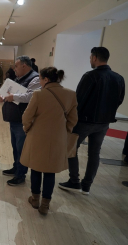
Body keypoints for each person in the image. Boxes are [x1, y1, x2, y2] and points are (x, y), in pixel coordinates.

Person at [59, 47, 125, 195]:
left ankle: (74, 181)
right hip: (104, 123)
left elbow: (78, 100)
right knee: (95, 153)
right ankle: (86, 186)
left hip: (84, 121)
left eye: (90, 57)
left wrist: (70, 117)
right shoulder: (119, 78)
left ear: (95, 58)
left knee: (71, 149)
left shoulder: (90, 76)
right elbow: (119, 100)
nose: (90, 60)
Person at [20, 67, 78, 215]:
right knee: (50, 172)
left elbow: (27, 117)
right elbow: (73, 119)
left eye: (40, 78)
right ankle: (45, 205)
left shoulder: (39, 94)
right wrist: (64, 132)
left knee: (36, 168)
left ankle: (35, 199)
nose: (39, 81)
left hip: (38, 136)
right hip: (58, 138)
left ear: (46, 79)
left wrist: (27, 129)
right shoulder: (71, 94)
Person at [0, 55, 41, 186]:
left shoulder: (35, 79)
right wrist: (4, 96)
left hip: (23, 120)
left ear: (24, 65)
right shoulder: (19, 78)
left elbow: (32, 96)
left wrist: (13, 96)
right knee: (15, 146)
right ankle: (16, 167)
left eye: (16, 66)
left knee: (21, 148)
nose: (14, 68)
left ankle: (20, 174)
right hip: (15, 118)